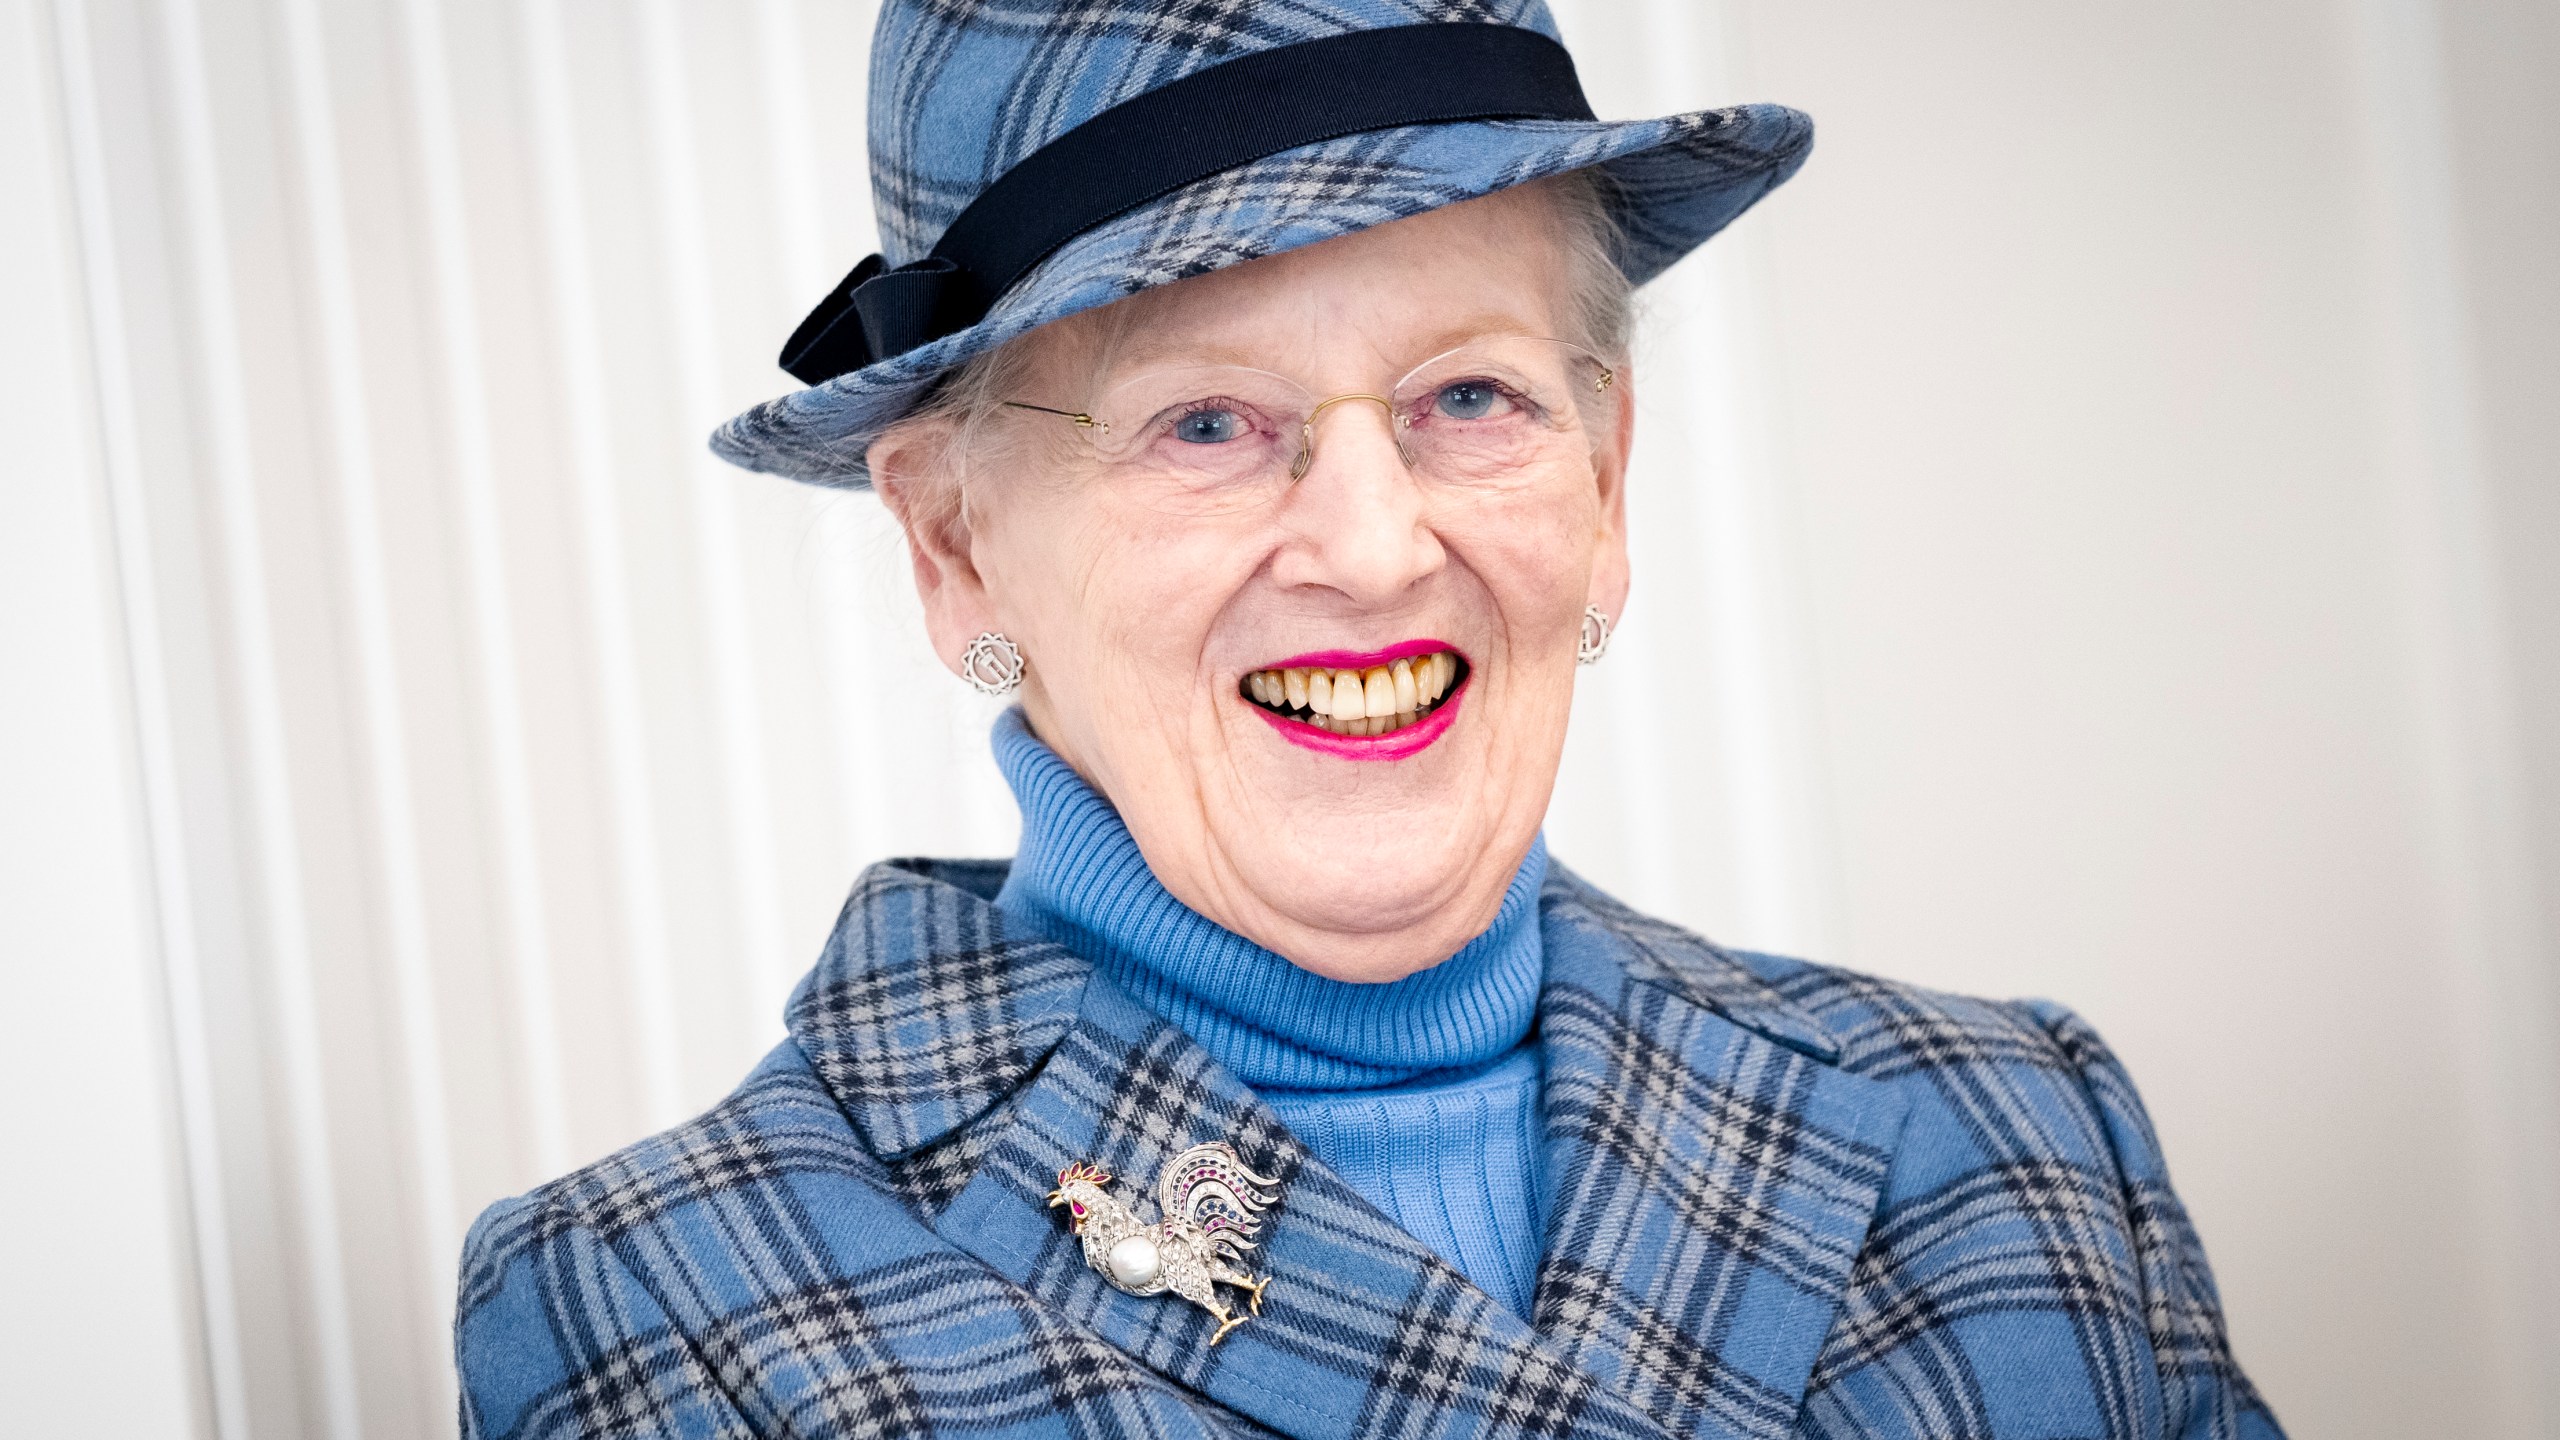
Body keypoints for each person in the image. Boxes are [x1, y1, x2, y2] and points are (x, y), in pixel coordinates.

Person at [455, 4, 2282, 1437]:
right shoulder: (661, 1305)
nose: (1373, 545)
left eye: (1470, 397)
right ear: (957, 551)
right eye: (1206, 421)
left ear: (1608, 477)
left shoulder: (2026, 1141)